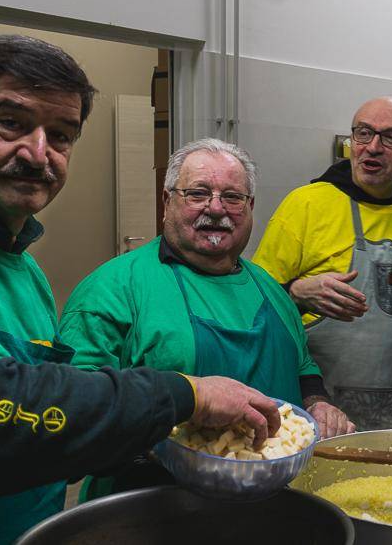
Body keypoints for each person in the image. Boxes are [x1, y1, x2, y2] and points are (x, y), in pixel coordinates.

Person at [0, 35, 281, 544]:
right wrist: (188, 394)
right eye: (12, 123)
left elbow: (57, 412)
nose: (38, 153)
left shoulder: (19, 265)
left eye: (62, 135)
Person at [60, 138, 355, 498]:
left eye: (232, 197)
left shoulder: (271, 289)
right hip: (150, 508)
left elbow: (302, 366)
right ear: (167, 203)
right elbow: (74, 415)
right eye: (198, 193)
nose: (215, 209)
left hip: (275, 506)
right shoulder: (112, 289)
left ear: (250, 208)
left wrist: (318, 404)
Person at [253, 97, 392, 430]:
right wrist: (295, 293)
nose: (373, 147)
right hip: (315, 417)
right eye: (363, 133)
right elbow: (254, 309)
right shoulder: (305, 205)